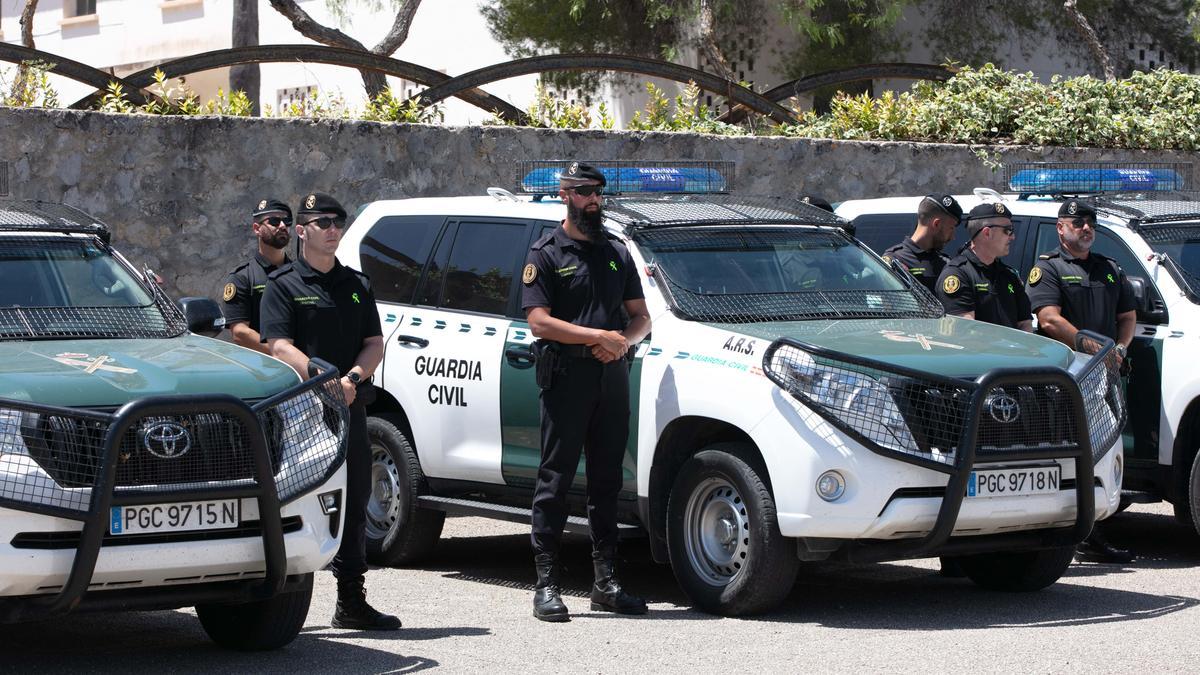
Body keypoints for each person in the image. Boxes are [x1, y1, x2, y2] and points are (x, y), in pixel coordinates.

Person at [259, 192, 400, 629]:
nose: (333, 229)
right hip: (301, 410)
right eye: (322, 222)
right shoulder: (283, 286)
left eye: (338, 221)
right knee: (294, 502)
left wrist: (352, 381)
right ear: (301, 230)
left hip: (349, 406)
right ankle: (274, 602)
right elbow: (278, 345)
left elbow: (374, 343)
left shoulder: (357, 285)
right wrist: (324, 381)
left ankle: (350, 601)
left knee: (355, 499)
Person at [521, 161, 653, 622]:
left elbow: (641, 317)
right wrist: (597, 337)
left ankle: (606, 583)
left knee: (607, 481)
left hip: (611, 376)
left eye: (597, 191)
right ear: (564, 195)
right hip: (566, 377)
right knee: (554, 480)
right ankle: (546, 585)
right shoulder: (547, 252)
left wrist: (622, 341)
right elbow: (538, 321)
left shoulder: (616, 250)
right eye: (583, 192)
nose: (593, 199)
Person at [1026, 199, 1136, 564]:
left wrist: (1118, 347)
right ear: (1061, 228)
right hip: (1070, 371)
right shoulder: (1049, 269)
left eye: (1090, 222)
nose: (1086, 228)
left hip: (1104, 371)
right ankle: (1062, 534)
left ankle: (1093, 531)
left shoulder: (1108, 268)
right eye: (1078, 222)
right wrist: (1095, 348)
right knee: (1072, 454)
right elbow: (1050, 319)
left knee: (1102, 450)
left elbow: (1128, 315)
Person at [936, 202, 1032, 331]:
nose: (1012, 237)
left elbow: (1025, 323)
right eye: (1008, 230)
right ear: (987, 233)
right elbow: (965, 330)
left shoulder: (1009, 275)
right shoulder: (957, 275)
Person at [221, 197, 293, 354]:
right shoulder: (242, 277)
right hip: (267, 367)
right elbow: (239, 332)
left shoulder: (299, 273)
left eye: (286, 221)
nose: (282, 226)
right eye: (274, 221)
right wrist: (284, 355)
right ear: (256, 228)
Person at [881, 194, 963, 293]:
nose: (953, 237)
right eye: (951, 228)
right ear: (936, 224)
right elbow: (892, 303)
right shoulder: (896, 260)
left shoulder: (944, 262)